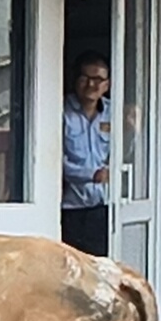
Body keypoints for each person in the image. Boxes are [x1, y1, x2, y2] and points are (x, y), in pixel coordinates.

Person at [61, 51, 111, 256]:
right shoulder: (61, 111)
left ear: (107, 85)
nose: (92, 85)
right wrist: (92, 175)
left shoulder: (113, 113)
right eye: (86, 78)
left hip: (104, 206)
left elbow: (126, 156)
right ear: (76, 79)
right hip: (71, 208)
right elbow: (56, 163)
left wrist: (133, 132)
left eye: (98, 79)